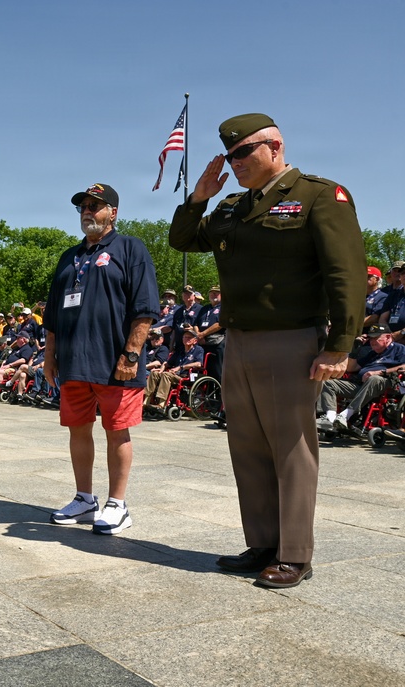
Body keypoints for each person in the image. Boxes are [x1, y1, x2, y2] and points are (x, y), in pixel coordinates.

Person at [169, 113, 366, 588]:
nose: (234, 162)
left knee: (292, 448)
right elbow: (183, 240)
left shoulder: (320, 195)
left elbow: (346, 276)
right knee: (248, 447)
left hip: (292, 341)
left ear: (274, 146)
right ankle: (262, 543)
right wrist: (199, 198)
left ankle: (295, 553)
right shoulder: (234, 205)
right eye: (229, 154)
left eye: (243, 153)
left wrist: (338, 345)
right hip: (239, 342)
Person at [45, 183, 159, 535]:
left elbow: (145, 309)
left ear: (113, 213)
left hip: (115, 361)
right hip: (74, 361)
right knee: (78, 431)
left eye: (96, 205)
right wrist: (50, 358)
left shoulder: (130, 248)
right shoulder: (69, 256)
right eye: (83, 206)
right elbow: (52, 315)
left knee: (117, 432)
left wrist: (131, 354)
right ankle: (84, 499)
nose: (88, 211)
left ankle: (117, 504)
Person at [316, 324, 405, 434]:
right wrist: (356, 348)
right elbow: (351, 367)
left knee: (374, 379)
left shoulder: (399, 349)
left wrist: (381, 372)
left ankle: (345, 415)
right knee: (327, 383)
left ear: (387, 337)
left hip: (384, 383)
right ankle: (330, 418)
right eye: (370, 338)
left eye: (376, 338)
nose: (372, 341)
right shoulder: (372, 353)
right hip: (361, 385)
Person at [143, 329, 204, 409]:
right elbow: (167, 363)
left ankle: (161, 404)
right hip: (174, 374)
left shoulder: (198, 350)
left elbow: (199, 364)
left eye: (189, 338)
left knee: (166, 375)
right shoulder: (180, 350)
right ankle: (146, 401)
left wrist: (181, 367)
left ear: (195, 341)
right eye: (185, 337)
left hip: (185, 376)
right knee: (154, 373)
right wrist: (161, 369)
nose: (186, 339)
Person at [194, 286, 225, 380]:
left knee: (217, 371)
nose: (214, 294)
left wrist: (203, 334)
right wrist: (199, 335)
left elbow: (220, 323)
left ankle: (220, 392)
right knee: (203, 370)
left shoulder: (224, 307)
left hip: (218, 342)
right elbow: (195, 324)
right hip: (202, 343)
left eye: (217, 292)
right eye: (212, 293)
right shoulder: (204, 308)